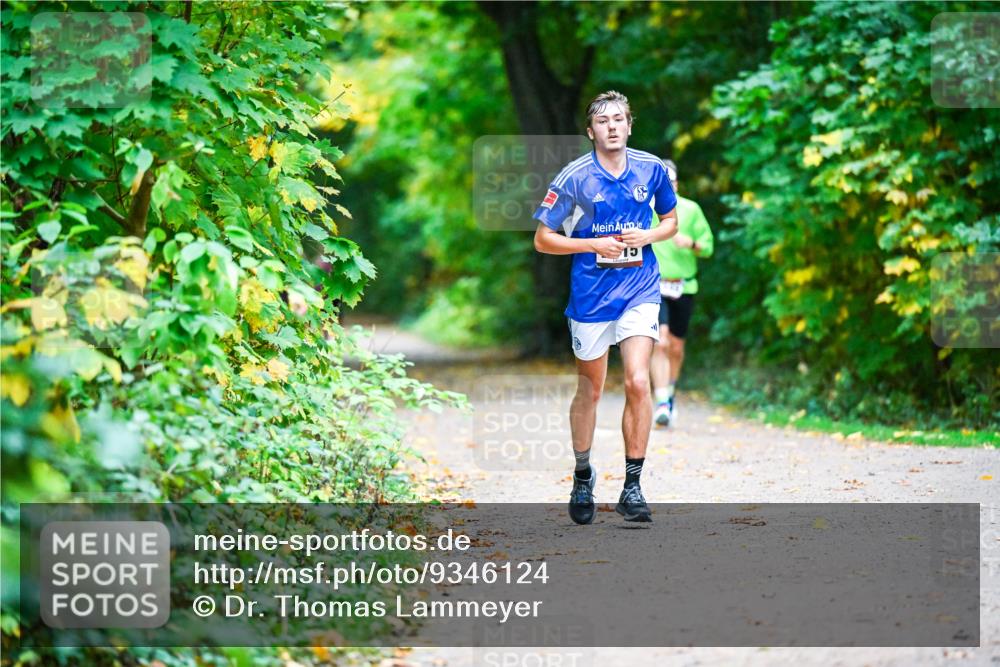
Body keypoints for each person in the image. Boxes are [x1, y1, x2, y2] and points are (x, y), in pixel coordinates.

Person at [533, 91, 678, 524]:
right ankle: (582, 474)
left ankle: (633, 487)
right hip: (591, 296)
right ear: (591, 131)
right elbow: (543, 239)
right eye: (603, 121)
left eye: (619, 119)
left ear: (629, 126)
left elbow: (670, 222)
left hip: (639, 288)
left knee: (637, 381)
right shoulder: (574, 177)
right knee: (591, 390)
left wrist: (648, 236)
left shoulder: (651, 169)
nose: (612, 126)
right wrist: (590, 244)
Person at [650, 160, 714, 427]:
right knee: (660, 342)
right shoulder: (646, 210)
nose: (668, 186)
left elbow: (708, 248)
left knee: (676, 347)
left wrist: (692, 243)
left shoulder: (691, 210)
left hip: (684, 285)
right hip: (653, 286)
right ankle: (662, 400)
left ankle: (671, 392)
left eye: (672, 181)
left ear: (677, 183)